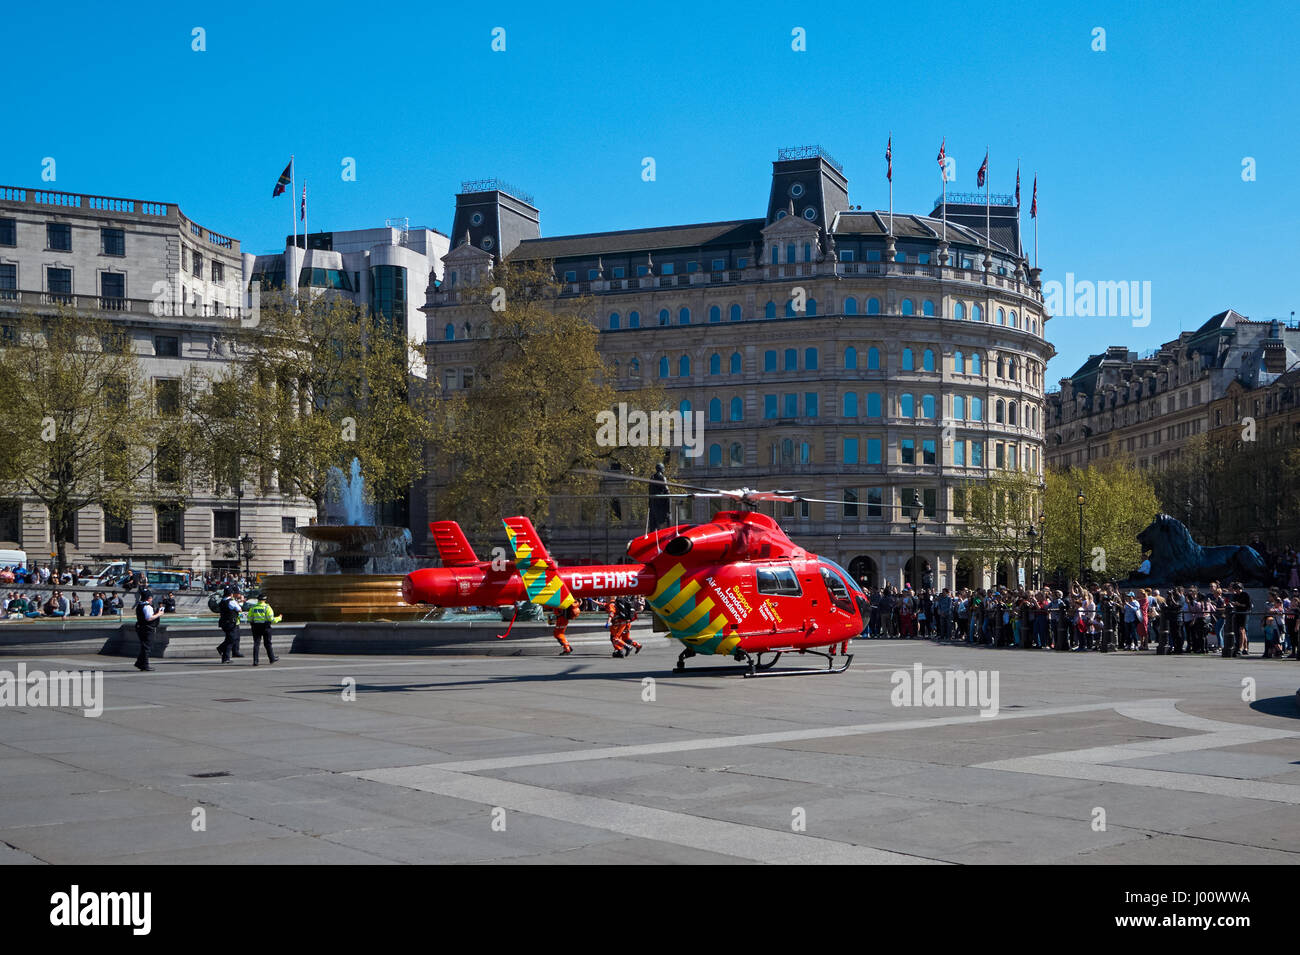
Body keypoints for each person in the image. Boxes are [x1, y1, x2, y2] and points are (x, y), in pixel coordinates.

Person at [245, 592, 281, 665]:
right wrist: (279, 618)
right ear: (265, 600)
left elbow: (249, 618)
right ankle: (271, 659)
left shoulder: (253, 608)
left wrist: (253, 623)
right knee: (268, 643)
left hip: (256, 627)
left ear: (258, 600)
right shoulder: (267, 608)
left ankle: (255, 661)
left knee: (256, 644)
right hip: (265, 627)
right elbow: (271, 619)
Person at [134, 590, 165, 672]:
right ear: (149, 598)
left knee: (145, 646)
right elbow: (149, 618)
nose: (152, 599)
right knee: (147, 647)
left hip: (141, 627)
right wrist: (159, 614)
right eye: (151, 597)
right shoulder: (147, 606)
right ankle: (145, 665)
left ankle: (140, 663)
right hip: (147, 628)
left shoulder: (140, 605)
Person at [215, 587, 244, 663]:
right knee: (231, 639)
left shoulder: (222, 601)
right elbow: (239, 609)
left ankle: (225, 656)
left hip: (223, 622)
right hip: (231, 623)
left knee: (229, 639)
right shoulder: (231, 601)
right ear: (231, 594)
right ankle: (223, 653)